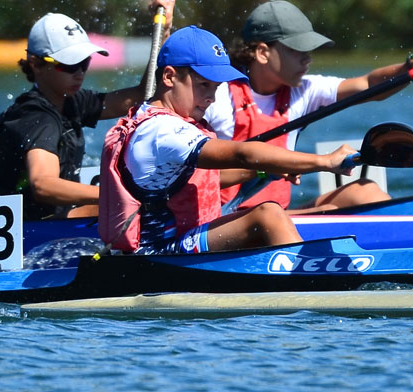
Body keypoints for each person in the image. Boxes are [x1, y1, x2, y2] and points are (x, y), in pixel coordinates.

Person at [100, 25, 359, 254]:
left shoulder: (164, 120)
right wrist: (324, 161)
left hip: (181, 242)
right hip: (158, 255)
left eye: (216, 88)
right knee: (267, 215)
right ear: (169, 77)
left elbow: (205, 180)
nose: (212, 97)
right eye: (204, 85)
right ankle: (313, 283)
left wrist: (265, 172)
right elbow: (242, 154)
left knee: (263, 215)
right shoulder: (161, 130)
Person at [203, 0, 413, 211]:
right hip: (226, 219)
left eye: (309, 50)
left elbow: (368, 85)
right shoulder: (217, 96)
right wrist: (264, 171)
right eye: (297, 50)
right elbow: (191, 176)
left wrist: (412, 66)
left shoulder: (302, 90)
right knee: (284, 212)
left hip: (279, 213)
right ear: (262, 52)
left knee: (365, 192)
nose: (308, 58)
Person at [0, 0, 173, 221]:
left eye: (84, 63)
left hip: (41, 222)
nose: (80, 72)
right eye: (70, 65)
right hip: (7, 236)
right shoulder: (35, 117)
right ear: (37, 64)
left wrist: (163, 29)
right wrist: (114, 194)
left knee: (145, 208)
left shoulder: (70, 102)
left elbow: (142, 96)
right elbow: (43, 185)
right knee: (134, 209)